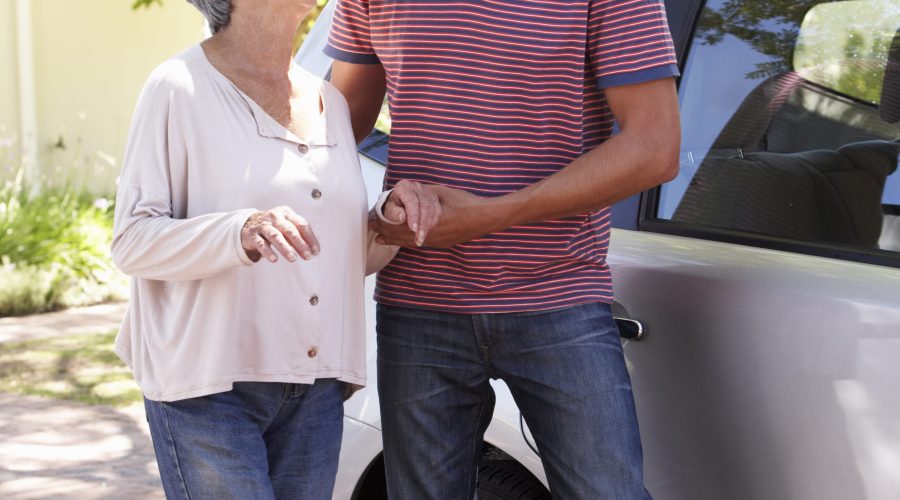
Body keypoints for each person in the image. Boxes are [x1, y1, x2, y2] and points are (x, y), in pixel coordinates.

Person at [326, 0, 681, 498]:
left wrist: (492, 214)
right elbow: (331, 131)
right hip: (419, 300)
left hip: (559, 296)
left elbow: (655, 148)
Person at [110, 0, 438, 498]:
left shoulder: (331, 102)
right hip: (210, 387)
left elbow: (339, 256)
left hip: (315, 390)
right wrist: (241, 230)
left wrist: (387, 220)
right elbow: (132, 240)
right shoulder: (177, 87)